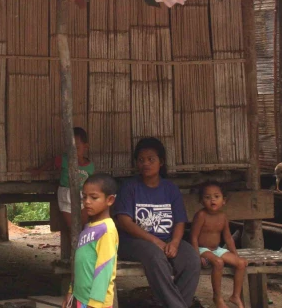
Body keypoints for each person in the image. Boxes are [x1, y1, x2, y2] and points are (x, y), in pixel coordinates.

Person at [114, 137, 200, 308]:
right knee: (155, 256)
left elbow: (180, 221)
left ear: (161, 162)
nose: (145, 163)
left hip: (167, 240)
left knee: (191, 260)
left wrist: (175, 243)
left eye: (151, 159)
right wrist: (155, 241)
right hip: (133, 242)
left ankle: (170, 304)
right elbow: (124, 222)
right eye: (141, 160)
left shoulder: (170, 189)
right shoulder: (129, 187)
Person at [64, 173, 119, 308]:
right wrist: (71, 291)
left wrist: (94, 304)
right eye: (84, 197)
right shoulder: (88, 227)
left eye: (94, 197)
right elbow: (81, 265)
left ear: (110, 200)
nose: (87, 201)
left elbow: (104, 269)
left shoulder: (107, 230)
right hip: (81, 297)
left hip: (95, 303)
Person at [191, 182, 248, 308]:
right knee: (218, 262)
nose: (212, 199)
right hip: (202, 249)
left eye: (216, 196)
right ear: (201, 201)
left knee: (241, 263)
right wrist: (196, 257)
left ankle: (235, 296)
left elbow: (228, 237)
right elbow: (193, 237)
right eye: (207, 197)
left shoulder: (223, 216)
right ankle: (217, 297)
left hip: (216, 249)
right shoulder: (201, 215)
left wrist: (235, 255)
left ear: (224, 200)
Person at [34, 128, 94, 236]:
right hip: (65, 195)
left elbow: (92, 182)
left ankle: (85, 248)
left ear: (86, 147)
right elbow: (52, 161)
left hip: (83, 196)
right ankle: (76, 250)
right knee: (72, 228)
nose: (73, 152)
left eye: (77, 148)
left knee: (85, 226)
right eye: (71, 149)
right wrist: (39, 170)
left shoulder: (90, 166)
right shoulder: (65, 159)